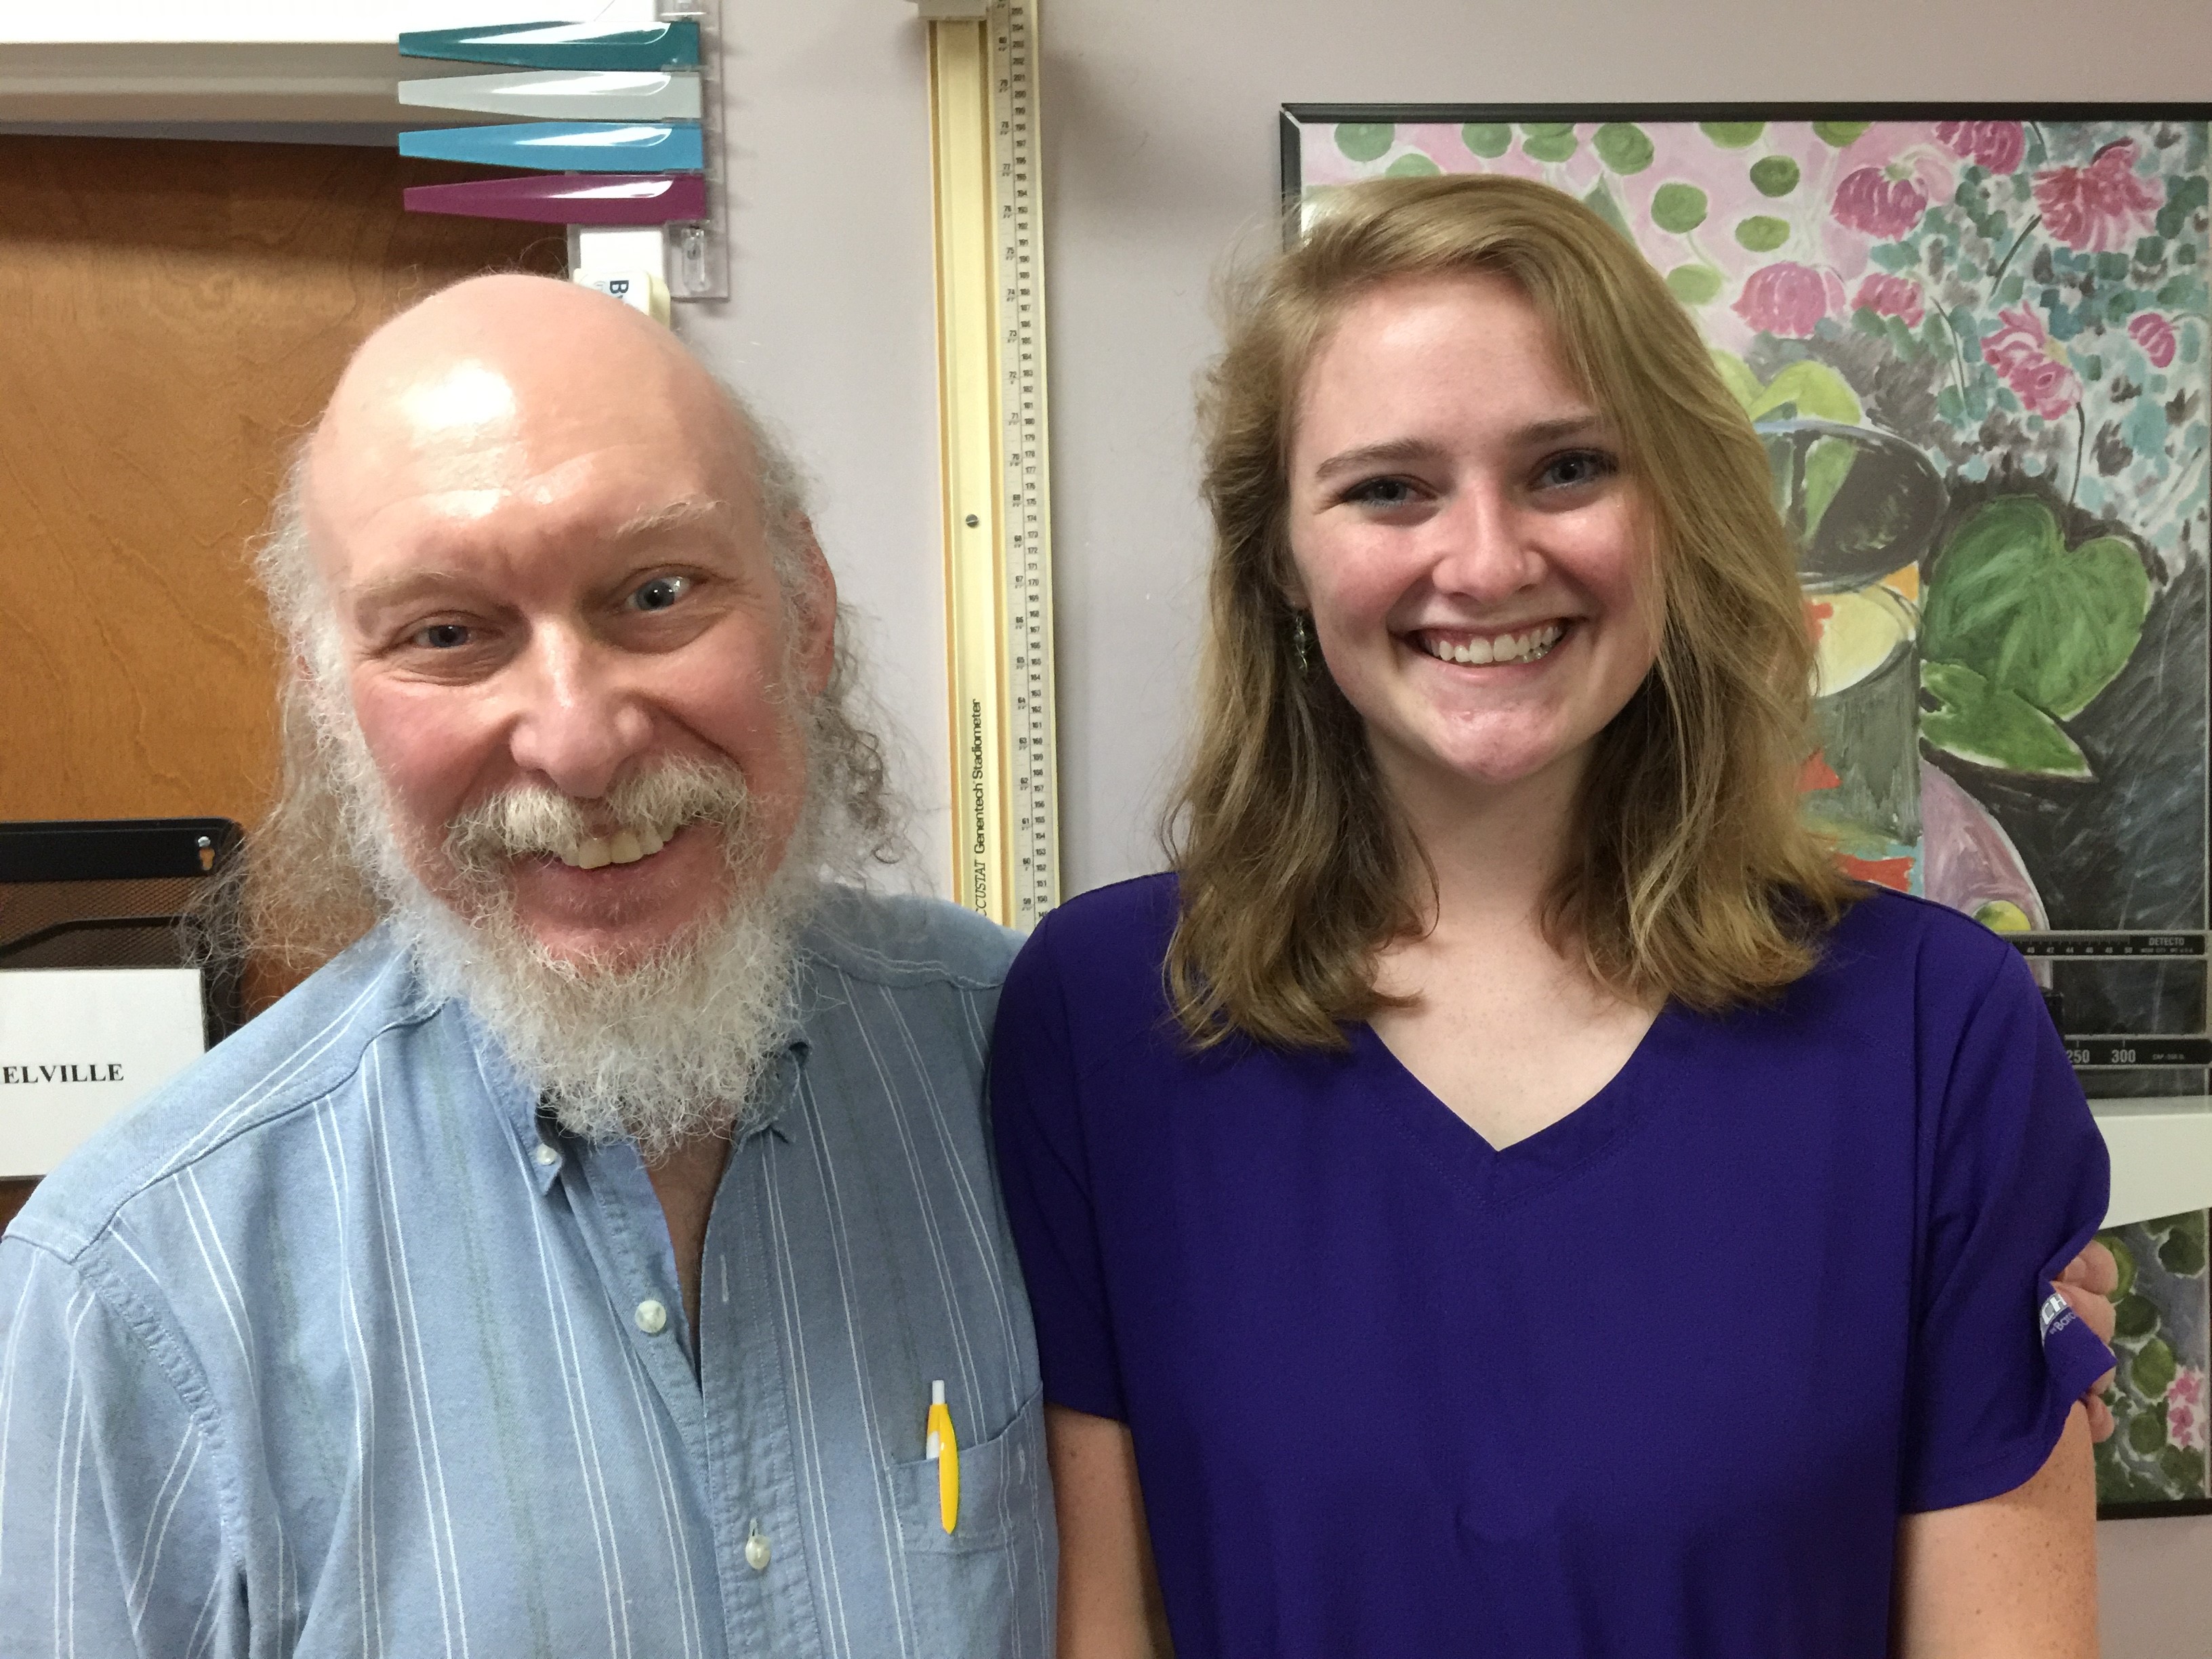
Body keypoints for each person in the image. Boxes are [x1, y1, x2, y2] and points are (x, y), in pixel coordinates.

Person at [990, 173, 2121, 1657]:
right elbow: (1106, 1621)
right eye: (1389, 488)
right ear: (1279, 554)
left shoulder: (1939, 1037)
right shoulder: (1108, 1017)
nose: (1486, 561)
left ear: (1675, 512)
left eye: (1568, 468)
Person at [0, 276, 1052, 1656]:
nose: (579, 743)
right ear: (331, 699)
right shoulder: (135, 1291)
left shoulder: (1029, 1070)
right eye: (445, 634)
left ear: (807, 613)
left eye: (657, 593)